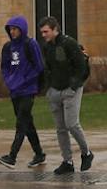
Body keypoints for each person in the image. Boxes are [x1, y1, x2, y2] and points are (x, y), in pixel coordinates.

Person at [38, 17, 94, 174]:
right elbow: (47, 68)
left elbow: (81, 67)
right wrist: (48, 88)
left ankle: (86, 153)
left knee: (72, 124)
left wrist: (74, 86)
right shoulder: (47, 47)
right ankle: (67, 161)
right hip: (54, 90)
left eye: (46, 31)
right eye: (41, 32)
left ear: (55, 29)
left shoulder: (69, 44)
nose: (43, 35)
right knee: (60, 128)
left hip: (71, 90)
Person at [0, 15, 46, 169]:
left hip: (28, 89)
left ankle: (12, 156)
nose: (12, 31)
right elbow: (4, 66)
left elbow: (39, 66)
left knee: (21, 122)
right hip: (14, 90)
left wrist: (26, 80)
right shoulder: (7, 47)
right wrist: (10, 80)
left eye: (15, 29)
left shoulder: (31, 44)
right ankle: (39, 154)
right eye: (10, 29)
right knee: (27, 122)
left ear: (22, 30)